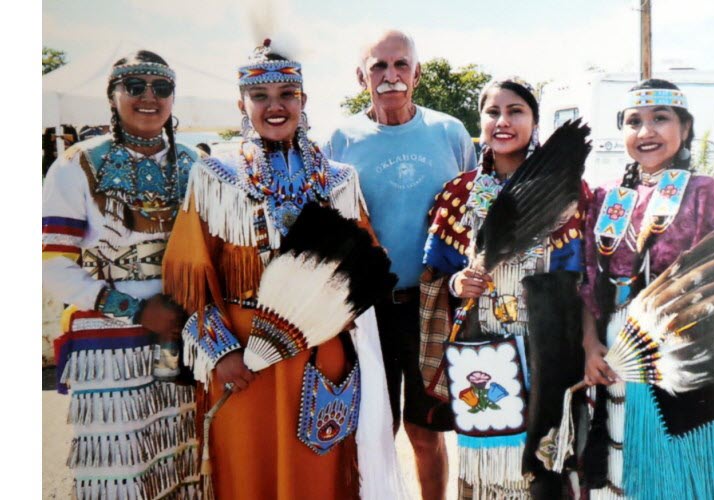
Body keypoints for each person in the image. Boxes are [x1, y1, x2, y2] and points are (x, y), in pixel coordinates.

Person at [163, 38, 404, 499]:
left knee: (320, 473)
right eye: (260, 97)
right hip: (241, 354)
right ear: (242, 103)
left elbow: (364, 269)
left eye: (286, 96)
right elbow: (188, 279)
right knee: (247, 468)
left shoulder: (339, 180)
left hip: (322, 353)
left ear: (303, 101)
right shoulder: (215, 177)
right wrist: (222, 353)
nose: (275, 107)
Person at [581, 79, 714, 499]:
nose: (647, 132)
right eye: (634, 122)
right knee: (622, 457)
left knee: (679, 466)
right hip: (616, 345)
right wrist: (589, 345)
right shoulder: (608, 198)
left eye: (661, 119)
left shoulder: (704, 192)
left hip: (685, 349)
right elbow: (589, 282)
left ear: (686, 128)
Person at [323, 29, 476, 500]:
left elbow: (475, 214)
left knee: (427, 434)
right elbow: (328, 224)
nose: (390, 77)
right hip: (367, 312)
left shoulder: (450, 133)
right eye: (378, 66)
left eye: (400, 65)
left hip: (433, 307)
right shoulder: (341, 139)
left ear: (417, 72)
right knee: (373, 431)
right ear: (360, 76)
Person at [42, 50, 201, 498]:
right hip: (107, 339)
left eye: (162, 88)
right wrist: (132, 309)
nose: (149, 97)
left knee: (183, 461)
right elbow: (51, 265)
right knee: (119, 470)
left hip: (185, 334)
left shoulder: (196, 164)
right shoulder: (77, 164)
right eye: (135, 87)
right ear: (112, 96)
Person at [421, 77, 589, 499]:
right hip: (483, 348)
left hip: (547, 349)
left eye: (516, 111)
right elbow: (435, 278)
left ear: (534, 120)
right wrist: (459, 282)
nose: (503, 121)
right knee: (487, 467)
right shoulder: (458, 194)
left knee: (546, 460)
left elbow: (583, 277)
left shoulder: (571, 194)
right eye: (493, 112)